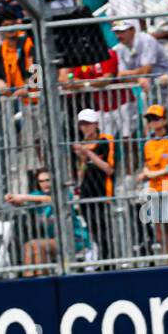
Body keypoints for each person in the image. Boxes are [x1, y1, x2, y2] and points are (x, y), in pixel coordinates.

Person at [7, 169, 91, 275]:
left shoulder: (64, 193)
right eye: (41, 181)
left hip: (75, 239)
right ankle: (31, 281)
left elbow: (52, 200)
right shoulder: (36, 195)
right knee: (30, 247)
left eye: (48, 180)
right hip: (55, 240)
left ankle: (41, 282)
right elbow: (24, 204)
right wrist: (13, 200)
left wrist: (24, 197)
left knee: (35, 244)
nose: (44, 184)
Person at [135, 103, 168, 261]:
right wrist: (145, 174)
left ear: (164, 121)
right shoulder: (148, 143)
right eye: (150, 119)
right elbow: (146, 165)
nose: (153, 122)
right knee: (161, 233)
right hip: (155, 189)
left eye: (156, 119)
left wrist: (158, 172)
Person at [72, 107, 116, 259]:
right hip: (87, 194)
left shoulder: (105, 140)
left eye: (88, 124)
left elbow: (109, 169)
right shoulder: (81, 145)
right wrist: (83, 158)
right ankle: (102, 262)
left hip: (103, 193)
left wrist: (88, 153)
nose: (85, 127)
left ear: (96, 124)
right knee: (94, 232)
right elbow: (80, 174)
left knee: (106, 234)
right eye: (82, 124)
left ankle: (110, 263)